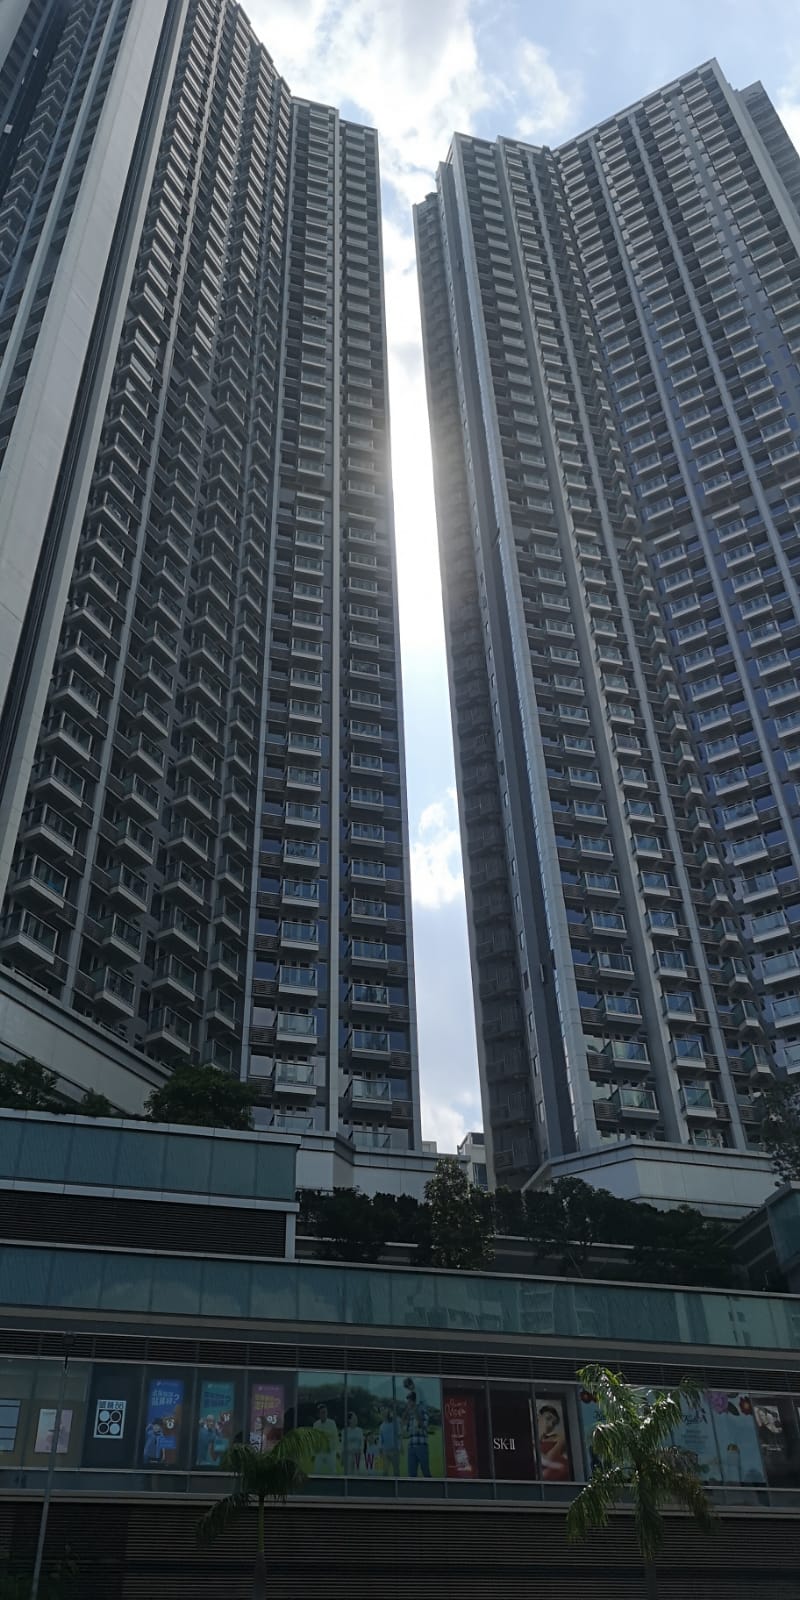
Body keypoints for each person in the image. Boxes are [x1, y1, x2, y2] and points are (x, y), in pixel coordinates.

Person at [402, 1381, 431, 1479]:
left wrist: (415, 1411)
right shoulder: (409, 1414)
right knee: (411, 1475)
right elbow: (404, 1427)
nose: (408, 1403)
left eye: (410, 1401)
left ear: (414, 1401)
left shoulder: (423, 1410)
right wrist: (406, 1412)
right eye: (408, 1402)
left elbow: (424, 1426)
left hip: (421, 1446)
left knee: (426, 1472)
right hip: (411, 1447)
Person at [537, 1403, 570, 1481]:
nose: (550, 1425)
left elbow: (548, 1459)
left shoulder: (559, 1438)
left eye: (554, 1423)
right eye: (548, 1418)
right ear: (538, 1416)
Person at [313, 1402, 340, 1474]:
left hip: (330, 1451)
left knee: (333, 1472)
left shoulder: (332, 1423)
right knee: (316, 1471)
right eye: (322, 1412)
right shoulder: (315, 1425)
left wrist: (337, 1451)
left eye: (325, 1412)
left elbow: (336, 1437)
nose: (324, 1414)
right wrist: (314, 1454)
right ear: (318, 1414)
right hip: (320, 1452)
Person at [378, 1404, 400, 1476]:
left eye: (384, 1410)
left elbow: (398, 1434)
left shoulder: (394, 1422)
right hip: (385, 1451)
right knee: (384, 1472)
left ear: (387, 1410)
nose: (383, 1412)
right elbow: (381, 1439)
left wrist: (399, 1447)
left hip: (394, 1450)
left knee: (396, 1471)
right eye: (381, 1411)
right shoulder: (381, 1426)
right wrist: (380, 1450)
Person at [341, 1409, 365, 1474]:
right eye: (354, 1418)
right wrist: (342, 1457)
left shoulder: (360, 1430)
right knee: (348, 1473)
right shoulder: (344, 1431)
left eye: (356, 1418)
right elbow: (343, 1444)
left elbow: (362, 1443)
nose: (356, 1420)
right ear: (349, 1420)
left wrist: (360, 1452)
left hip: (357, 1455)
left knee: (357, 1473)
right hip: (348, 1455)